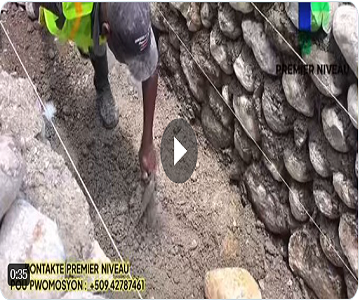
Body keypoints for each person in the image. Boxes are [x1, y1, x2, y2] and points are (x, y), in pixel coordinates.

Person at [38, 2, 158, 179]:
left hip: (94, 19)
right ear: (106, 30)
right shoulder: (67, 6)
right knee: (78, 34)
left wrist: (147, 141)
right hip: (61, 11)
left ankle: (101, 83)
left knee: (95, 47)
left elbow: (150, 70)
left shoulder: (135, 9)